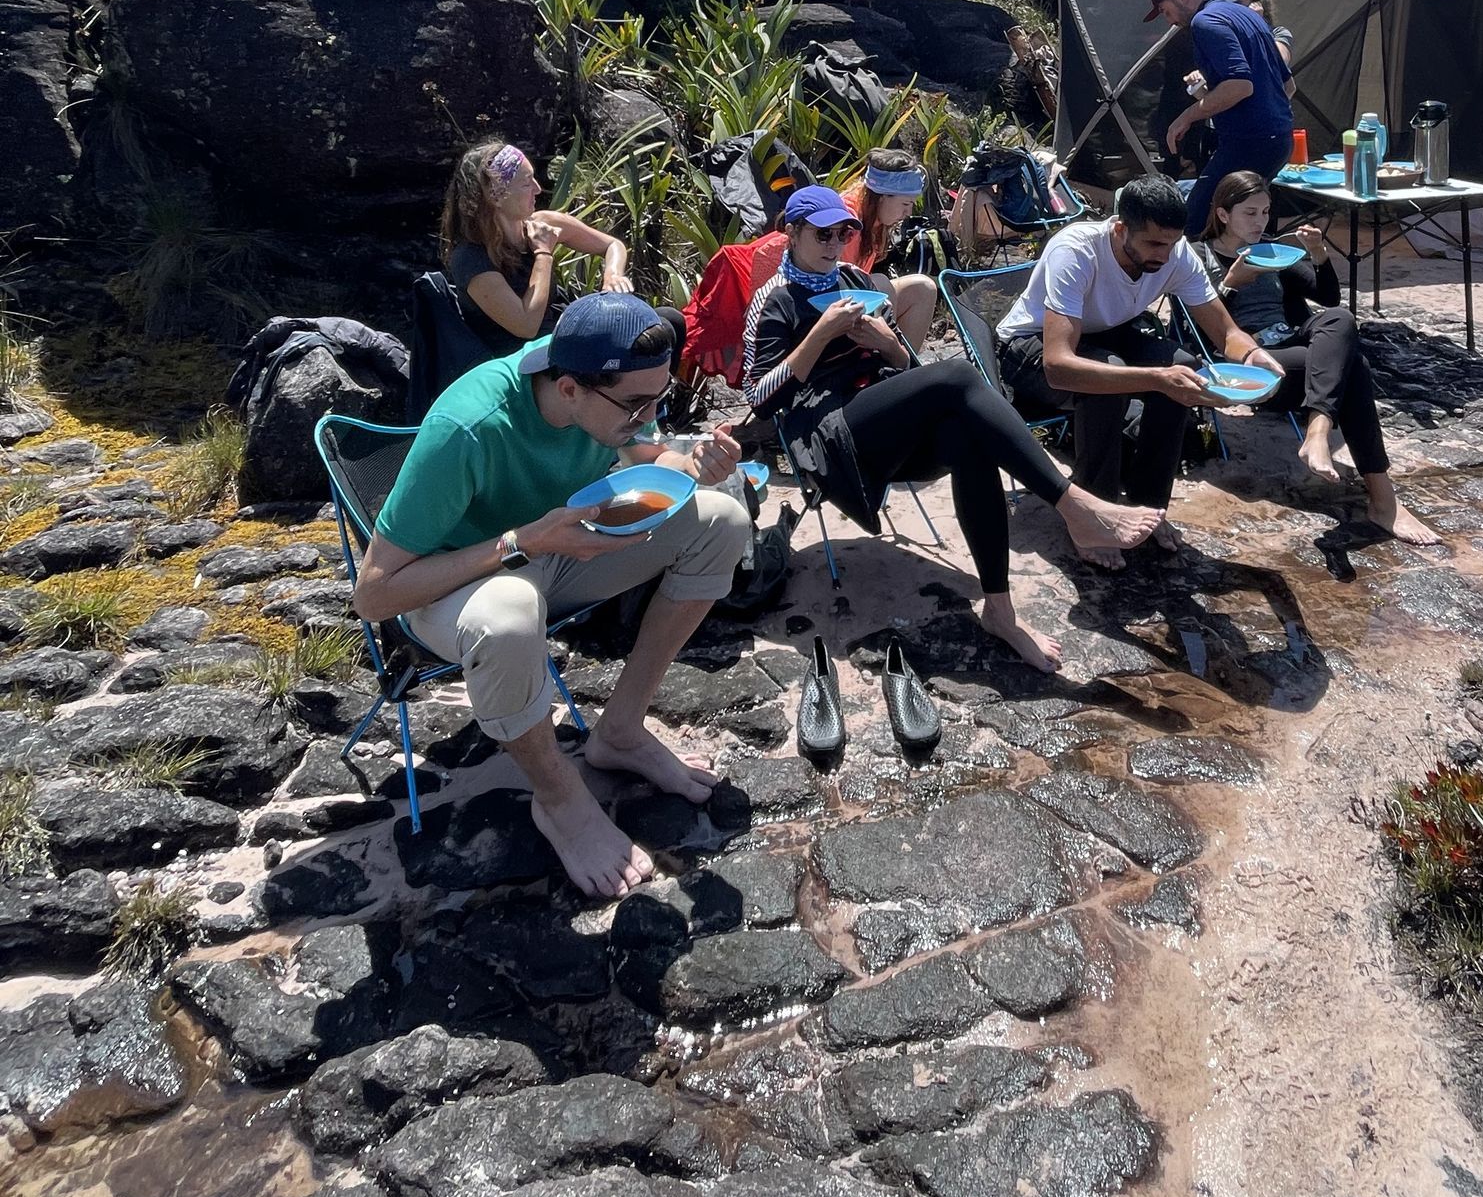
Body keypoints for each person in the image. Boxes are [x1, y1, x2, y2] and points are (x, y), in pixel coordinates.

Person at [355, 295, 753, 901]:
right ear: (568, 388)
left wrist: (689, 459)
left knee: (721, 521)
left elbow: (646, 450)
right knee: (509, 618)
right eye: (636, 404)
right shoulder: (470, 425)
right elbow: (375, 595)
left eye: (658, 399)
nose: (647, 415)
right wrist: (523, 540)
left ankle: (619, 732)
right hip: (453, 585)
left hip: (555, 547)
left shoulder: (606, 387)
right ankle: (559, 797)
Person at [741, 185, 1159, 672]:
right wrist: (820, 334)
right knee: (958, 374)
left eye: (843, 233)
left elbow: (910, 368)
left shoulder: (854, 278)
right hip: (829, 436)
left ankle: (1000, 610)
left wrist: (887, 345)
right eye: (822, 235)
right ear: (791, 233)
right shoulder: (774, 301)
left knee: (969, 438)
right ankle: (1074, 504)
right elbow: (760, 400)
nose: (835, 244)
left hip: (881, 422)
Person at [995, 174, 1282, 563]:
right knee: (1112, 380)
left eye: (1172, 243)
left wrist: (1253, 357)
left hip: (1109, 334)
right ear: (1119, 229)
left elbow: (1225, 331)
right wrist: (1155, 379)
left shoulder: (1175, 252)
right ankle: (1095, 515)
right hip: (1027, 349)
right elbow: (1060, 365)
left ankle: (1148, 507)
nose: (1164, 255)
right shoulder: (1076, 251)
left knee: (1183, 366)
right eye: (1153, 243)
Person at [1197, 170, 1437, 544]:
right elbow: (1197, 326)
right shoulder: (1199, 256)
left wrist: (1320, 255)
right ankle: (1381, 498)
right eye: (1250, 213)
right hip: (1247, 361)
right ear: (1223, 214)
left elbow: (1328, 300)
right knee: (1354, 366)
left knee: (1340, 320)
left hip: (1293, 343)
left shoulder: (1272, 251)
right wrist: (1230, 284)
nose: (1260, 222)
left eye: (1265, 212)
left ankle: (1318, 430)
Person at [441, 142, 685, 365]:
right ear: (495, 195)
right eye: (526, 183)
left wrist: (612, 274)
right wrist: (543, 254)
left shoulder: (539, 223)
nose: (537, 189)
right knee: (647, 339)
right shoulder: (471, 258)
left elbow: (612, 246)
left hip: (563, 332)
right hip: (528, 357)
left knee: (669, 320)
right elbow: (526, 325)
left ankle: (654, 410)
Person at [1145, 0, 1294, 238]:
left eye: (1166, 11)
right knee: (1235, 225)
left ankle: (1202, 280)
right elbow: (1287, 85)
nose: (1169, 21)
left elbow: (1240, 85)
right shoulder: (1246, 16)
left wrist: (1186, 117)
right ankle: (1244, 278)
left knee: (1196, 222)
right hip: (1279, 141)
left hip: (1249, 143)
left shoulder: (1205, 22)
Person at [841, 148, 939, 350]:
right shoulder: (847, 222)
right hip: (833, 310)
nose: (908, 212)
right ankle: (876, 365)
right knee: (881, 285)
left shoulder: (875, 219)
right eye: (905, 203)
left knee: (923, 288)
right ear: (882, 196)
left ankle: (904, 365)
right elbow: (841, 284)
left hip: (853, 302)